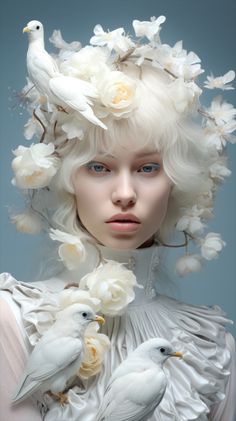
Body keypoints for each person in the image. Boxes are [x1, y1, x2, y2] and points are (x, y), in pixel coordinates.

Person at [0, 16, 236, 421]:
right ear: (65, 177)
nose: (125, 194)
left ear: (176, 182)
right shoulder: (13, 319)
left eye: (147, 169)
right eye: (98, 167)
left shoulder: (213, 347)